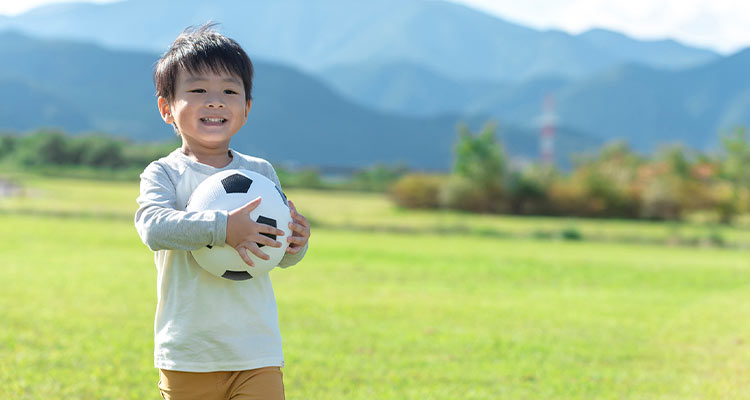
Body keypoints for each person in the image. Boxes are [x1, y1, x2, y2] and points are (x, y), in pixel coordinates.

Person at [134, 23, 310, 400]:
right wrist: (222, 227)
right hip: (188, 354)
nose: (215, 101)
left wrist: (295, 244)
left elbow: (276, 253)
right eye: (198, 90)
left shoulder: (260, 173)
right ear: (167, 108)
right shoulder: (165, 173)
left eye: (229, 91)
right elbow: (152, 227)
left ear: (246, 109)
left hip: (256, 351)